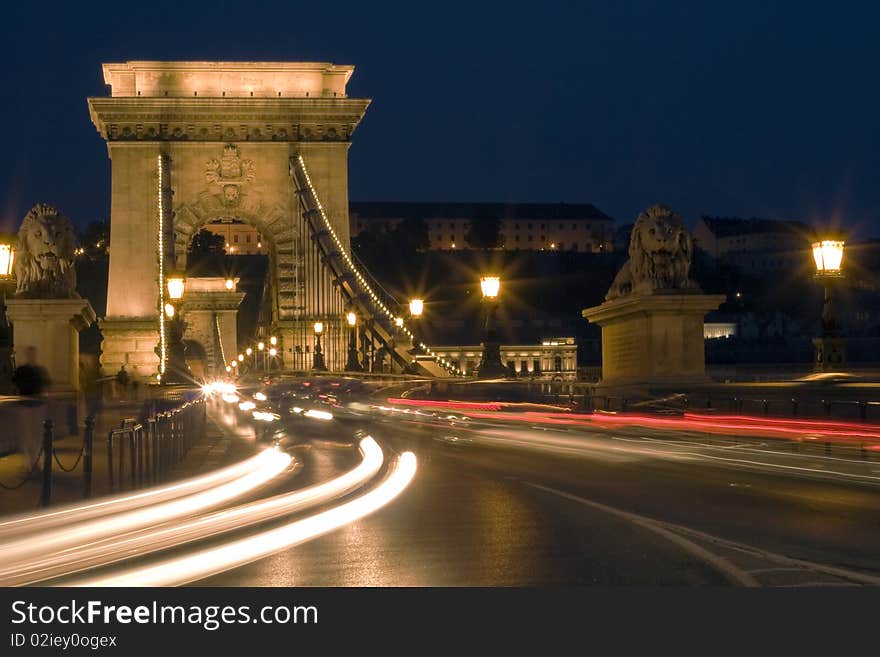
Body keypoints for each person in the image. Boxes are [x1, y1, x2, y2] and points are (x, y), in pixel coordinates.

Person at [11, 346, 50, 467]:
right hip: (27, 406)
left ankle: (34, 461)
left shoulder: (36, 370)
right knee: (28, 435)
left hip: (34, 406)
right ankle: (30, 462)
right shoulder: (30, 370)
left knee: (36, 435)